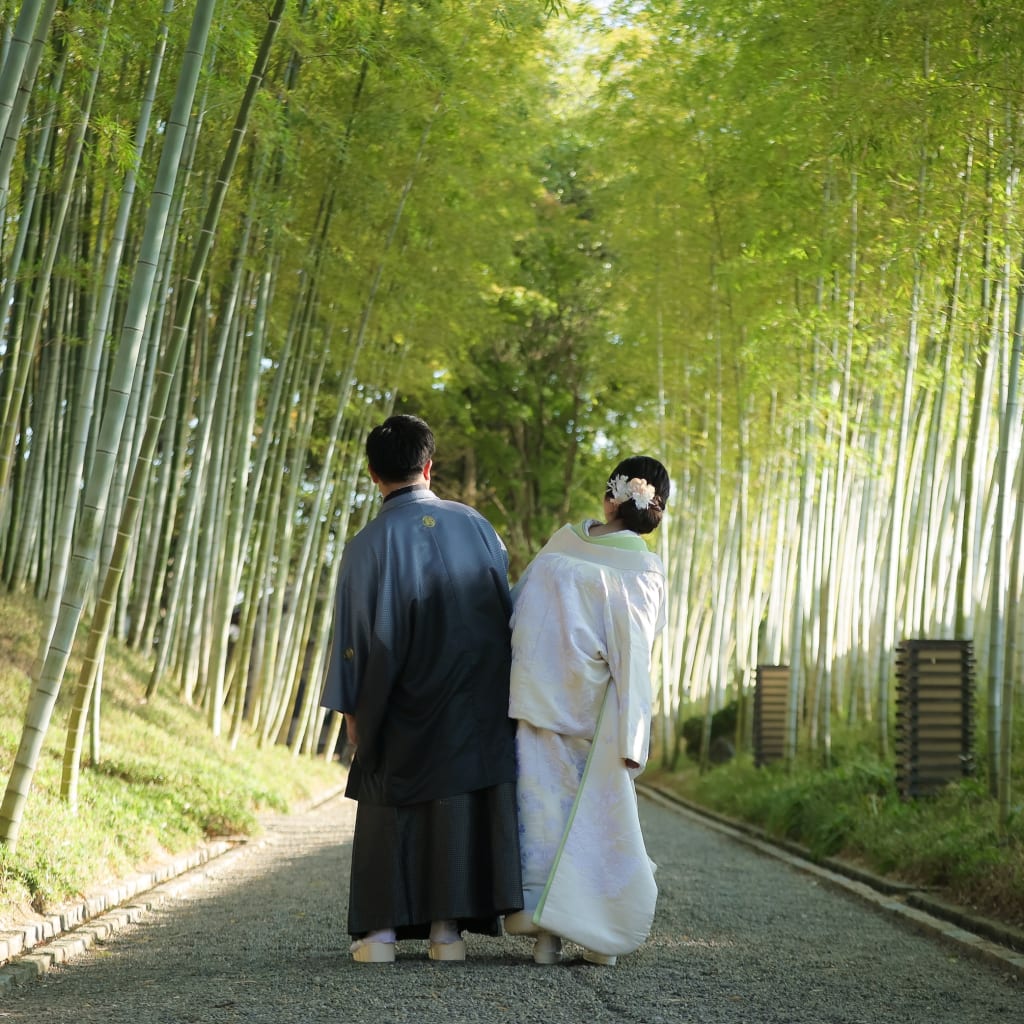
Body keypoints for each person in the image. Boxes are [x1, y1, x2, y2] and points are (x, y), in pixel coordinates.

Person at [320, 414, 523, 964]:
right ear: (429, 467)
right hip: (476, 700)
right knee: (456, 804)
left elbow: (353, 639)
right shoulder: (478, 526)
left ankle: (381, 937)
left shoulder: (367, 544)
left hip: (400, 695)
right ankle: (446, 934)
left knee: (390, 801)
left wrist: (352, 713)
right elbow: (503, 611)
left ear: (372, 474)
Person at [503, 455, 670, 966]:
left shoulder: (560, 543)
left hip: (536, 701)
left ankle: (544, 936)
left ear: (609, 496)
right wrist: (635, 733)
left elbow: (517, 611)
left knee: (543, 817)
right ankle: (600, 936)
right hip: (599, 712)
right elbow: (636, 653)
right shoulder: (642, 567)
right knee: (599, 819)